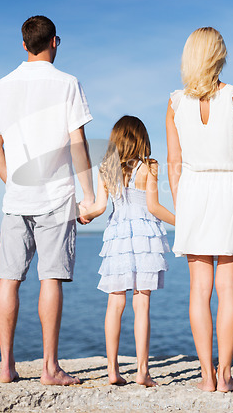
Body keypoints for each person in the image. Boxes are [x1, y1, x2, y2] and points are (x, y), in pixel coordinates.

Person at [0, 15, 94, 385]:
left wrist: (14, 184)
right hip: (57, 197)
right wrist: (90, 195)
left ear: (23, 44)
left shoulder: (0, 87)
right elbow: (78, 143)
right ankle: (49, 368)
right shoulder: (68, 84)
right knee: (51, 278)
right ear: (54, 42)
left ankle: (6, 367)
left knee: (8, 279)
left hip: (16, 198)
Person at [166, 27, 233, 392]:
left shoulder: (175, 102)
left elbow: (174, 162)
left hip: (193, 190)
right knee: (229, 287)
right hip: (232, 188)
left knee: (198, 289)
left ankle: (205, 376)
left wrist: (181, 202)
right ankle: (225, 376)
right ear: (219, 55)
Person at [79, 116, 175, 387]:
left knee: (115, 302)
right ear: (141, 138)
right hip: (144, 236)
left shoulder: (106, 167)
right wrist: (183, 221)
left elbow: (98, 207)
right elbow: (154, 208)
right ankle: (142, 373)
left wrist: (83, 214)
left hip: (117, 236)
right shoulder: (150, 166)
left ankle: (112, 370)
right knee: (141, 303)